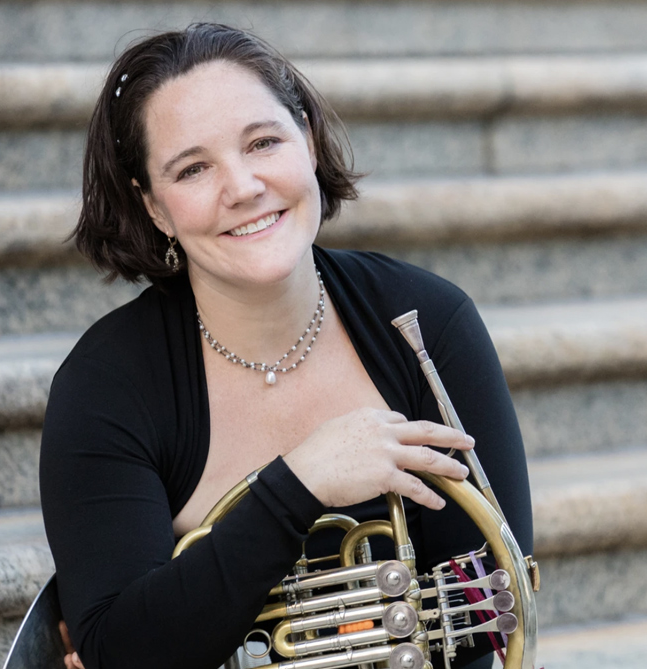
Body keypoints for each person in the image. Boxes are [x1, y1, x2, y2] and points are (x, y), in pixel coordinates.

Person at [39, 23, 533, 669]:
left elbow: (489, 602)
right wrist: (298, 485)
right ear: (153, 206)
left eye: (263, 142)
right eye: (193, 169)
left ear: (308, 138)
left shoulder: (425, 323)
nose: (243, 187)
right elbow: (121, 650)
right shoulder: (107, 385)